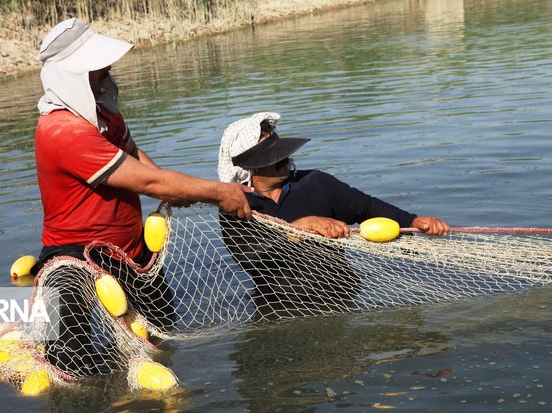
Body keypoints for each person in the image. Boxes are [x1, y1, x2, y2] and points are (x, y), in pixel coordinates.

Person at [33, 18, 251, 375]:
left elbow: (138, 162)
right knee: (69, 358)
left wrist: (175, 188)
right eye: (97, 69)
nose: (106, 72)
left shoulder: (101, 114)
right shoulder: (63, 130)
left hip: (129, 251)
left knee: (162, 331)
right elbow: (149, 183)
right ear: (71, 76)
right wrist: (216, 191)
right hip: (72, 256)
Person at [217, 112, 450, 318]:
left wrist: (413, 221)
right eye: (274, 156)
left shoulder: (316, 183)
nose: (285, 158)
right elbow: (248, 255)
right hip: (279, 307)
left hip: (341, 297)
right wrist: (298, 228)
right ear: (252, 167)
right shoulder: (236, 204)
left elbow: (366, 207)